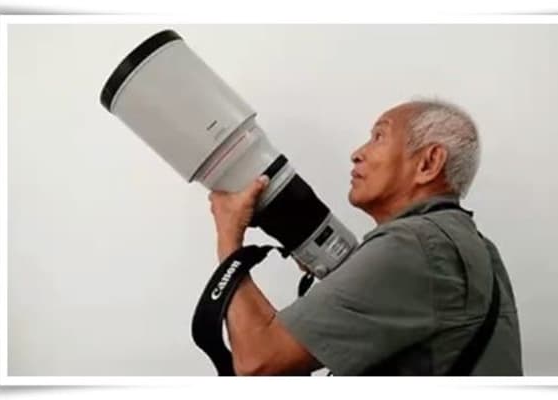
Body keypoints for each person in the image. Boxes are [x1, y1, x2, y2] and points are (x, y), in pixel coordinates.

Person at [208, 99, 523, 376]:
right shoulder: (471, 245)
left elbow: (258, 361)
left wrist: (229, 237)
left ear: (428, 163)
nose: (357, 153)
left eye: (379, 137)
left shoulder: (413, 245)